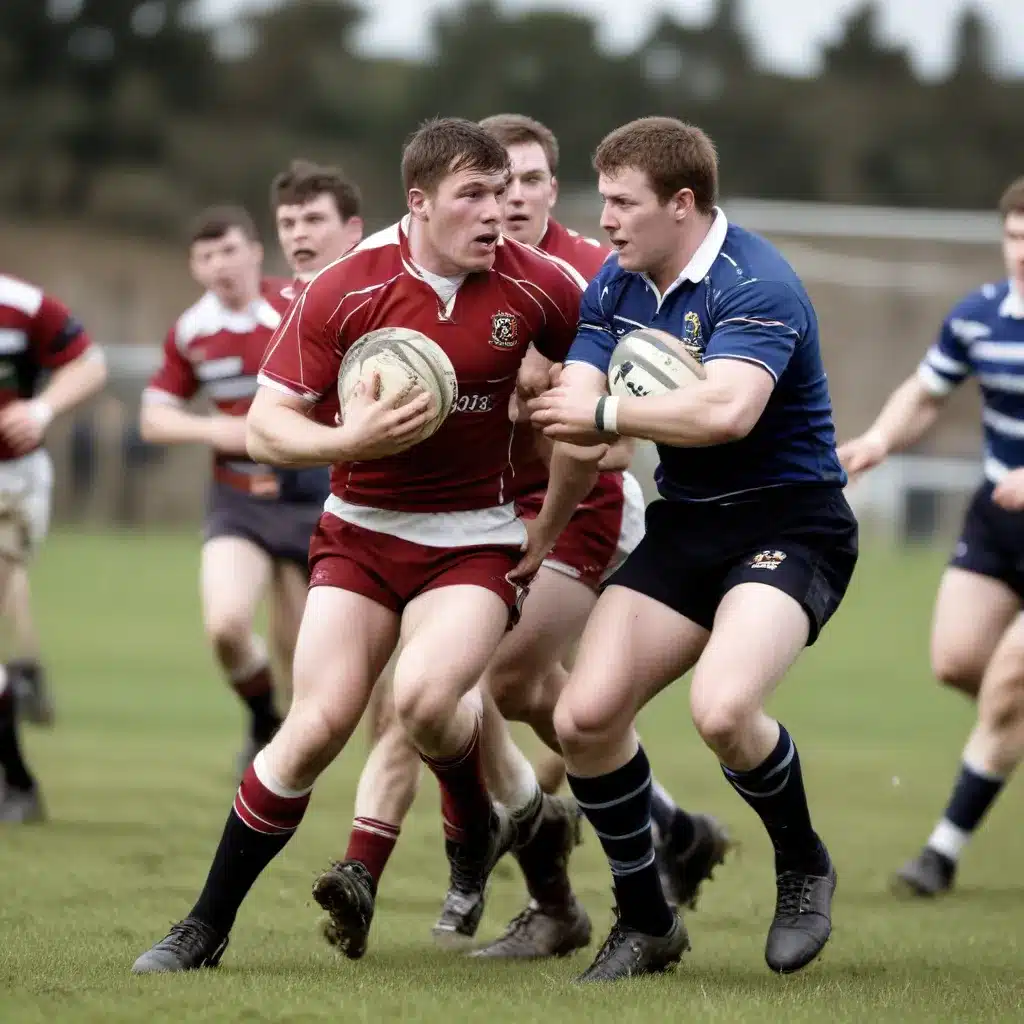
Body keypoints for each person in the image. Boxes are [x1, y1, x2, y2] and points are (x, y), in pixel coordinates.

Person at [131, 116, 596, 974]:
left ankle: (474, 832)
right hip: (361, 534)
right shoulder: (346, 287)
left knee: (424, 699)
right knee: (313, 730)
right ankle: (203, 927)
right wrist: (352, 442)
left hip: (474, 541)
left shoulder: (546, 288)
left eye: (504, 194)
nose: (498, 212)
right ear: (419, 204)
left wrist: (550, 522)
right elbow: (268, 427)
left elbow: (597, 416)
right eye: (474, 196)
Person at [529, 116, 858, 980]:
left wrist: (599, 413)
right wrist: (548, 512)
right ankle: (647, 923)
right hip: (689, 524)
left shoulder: (758, 283)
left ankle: (802, 863)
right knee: (583, 719)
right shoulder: (618, 283)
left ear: (682, 204)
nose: (604, 219)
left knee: (721, 710)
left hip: (791, 523)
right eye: (601, 200)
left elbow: (724, 413)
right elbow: (584, 412)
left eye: (621, 202)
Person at [838, 176, 1024, 897]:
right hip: (998, 520)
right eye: (1013, 239)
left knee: (1008, 684)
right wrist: (882, 439)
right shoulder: (980, 315)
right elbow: (927, 392)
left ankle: (940, 853)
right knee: (956, 663)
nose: (1020, 254)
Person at [139, 206, 324, 772]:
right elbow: (153, 419)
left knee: (304, 649)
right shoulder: (193, 332)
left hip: (307, 494)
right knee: (225, 627)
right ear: (195, 267)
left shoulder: (297, 304)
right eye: (205, 255)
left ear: (254, 251)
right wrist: (213, 428)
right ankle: (261, 716)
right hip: (237, 498)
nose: (219, 264)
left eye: (228, 250)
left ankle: (293, 762)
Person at [0, 272, 107, 820]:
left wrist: (40, 410)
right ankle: (16, 780)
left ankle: (16, 782)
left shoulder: (21, 305)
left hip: (11, 486)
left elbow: (90, 363)